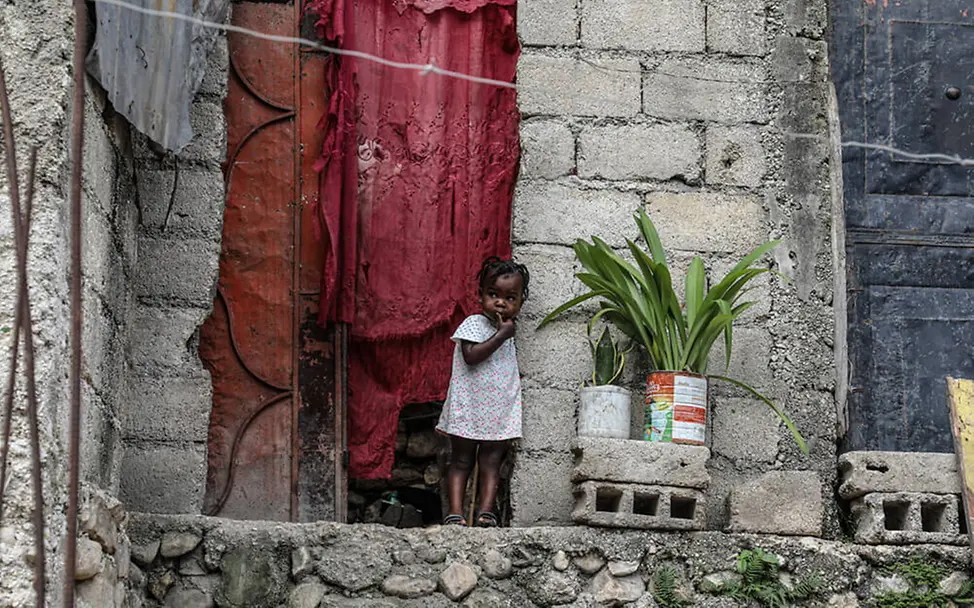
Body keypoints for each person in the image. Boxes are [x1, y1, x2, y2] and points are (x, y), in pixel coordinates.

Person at [436, 256, 530, 527]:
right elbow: (471, 357)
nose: (500, 302)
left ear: (521, 302)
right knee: (462, 459)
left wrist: (505, 333)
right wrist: (501, 335)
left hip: (499, 408)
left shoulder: (507, 329)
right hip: (470, 406)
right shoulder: (474, 324)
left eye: (510, 298)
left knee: (491, 461)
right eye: (493, 294)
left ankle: (486, 513)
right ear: (480, 296)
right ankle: (455, 512)